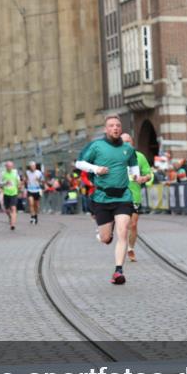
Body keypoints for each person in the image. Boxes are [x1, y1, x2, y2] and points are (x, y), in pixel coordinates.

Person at [75, 115, 142, 285]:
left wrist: (136, 176)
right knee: (105, 238)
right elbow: (79, 163)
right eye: (111, 125)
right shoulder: (96, 146)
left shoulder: (127, 149)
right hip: (102, 197)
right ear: (106, 129)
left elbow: (134, 164)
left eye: (118, 125)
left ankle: (118, 271)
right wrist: (96, 168)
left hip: (123, 196)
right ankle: (106, 233)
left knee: (123, 231)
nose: (115, 128)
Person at [120, 133, 153, 263]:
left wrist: (143, 178)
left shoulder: (139, 157)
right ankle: (121, 246)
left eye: (128, 141)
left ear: (132, 143)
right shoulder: (115, 158)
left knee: (133, 225)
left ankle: (130, 248)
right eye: (124, 142)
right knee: (122, 225)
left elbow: (149, 174)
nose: (126, 144)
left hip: (134, 195)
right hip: (119, 195)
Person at [0, 161, 22, 230]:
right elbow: (0, 183)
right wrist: (5, 183)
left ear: (12, 166)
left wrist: (19, 187)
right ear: (6, 167)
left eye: (10, 166)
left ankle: (13, 224)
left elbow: (19, 181)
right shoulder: (3, 173)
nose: (9, 167)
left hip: (14, 193)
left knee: (13, 208)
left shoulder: (15, 173)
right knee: (7, 210)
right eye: (8, 166)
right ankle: (10, 217)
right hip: (6, 193)